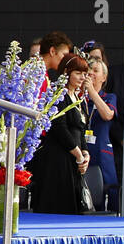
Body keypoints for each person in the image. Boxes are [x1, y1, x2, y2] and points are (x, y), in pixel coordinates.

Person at [27, 53, 91, 214]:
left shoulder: (78, 97)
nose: (82, 77)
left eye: (84, 74)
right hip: (57, 162)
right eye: (78, 73)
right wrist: (78, 155)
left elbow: (81, 129)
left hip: (74, 161)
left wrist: (85, 154)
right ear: (66, 72)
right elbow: (59, 128)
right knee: (58, 206)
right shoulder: (57, 94)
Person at [85, 57, 118, 212]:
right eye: (89, 70)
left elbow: (107, 115)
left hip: (101, 153)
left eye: (96, 71)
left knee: (107, 191)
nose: (91, 73)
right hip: (82, 152)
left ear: (104, 77)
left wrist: (92, 91)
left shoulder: (109, 98)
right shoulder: (79, 99)